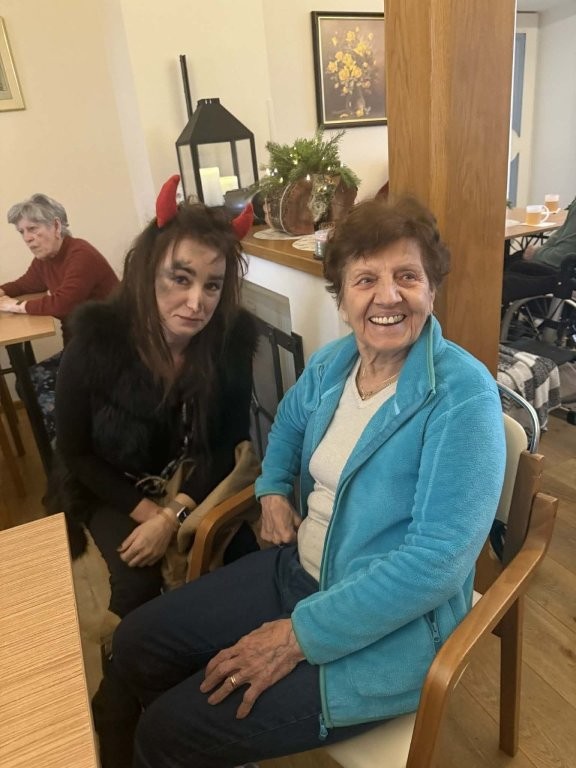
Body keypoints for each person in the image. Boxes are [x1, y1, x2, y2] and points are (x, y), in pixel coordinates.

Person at [109, 196, 506, 768]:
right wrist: (272, 489)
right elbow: (288, 426)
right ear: (341, 299)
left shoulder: (461, 395)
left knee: (164, 735)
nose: (388, 296)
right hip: (298, 569)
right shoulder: (334, 364)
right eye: (365, 279)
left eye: (407, 276)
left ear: (432, 289)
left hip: (385, 628)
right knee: (135, 644)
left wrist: (297, 636)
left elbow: (436, 564)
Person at [43, 175, 258, 768]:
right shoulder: (96, 339)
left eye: (212, 285)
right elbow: (75, 453)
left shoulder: (230, 341)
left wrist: (173, 515)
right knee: (134, 587)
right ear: (148, 272)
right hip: (107, 485)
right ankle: (116, 720)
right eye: (179, 279)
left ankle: (207, 711)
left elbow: (225, 445)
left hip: (190, 483)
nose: (196, 302)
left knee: (239, 566)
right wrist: (148, 514)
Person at [0, 193, 119, 438]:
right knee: (26, 382)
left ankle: (77, 444)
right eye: (22, 232)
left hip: (110, 351)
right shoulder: (45, 259)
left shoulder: (80, 254)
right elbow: (25, 284)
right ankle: (71, 442)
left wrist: (15, 306)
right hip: (80, 347)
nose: (27, 238)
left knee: (33, 387)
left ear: (56, 226)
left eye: (32, 229)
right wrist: (2, 291)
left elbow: (63, 303)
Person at [502, 195, 576, 306]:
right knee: (512, 260)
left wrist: (536, 253)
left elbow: (562, 255)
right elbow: (561, 237)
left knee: (504, 278)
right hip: (562, 267)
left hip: (564, 276)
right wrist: (540, 250)